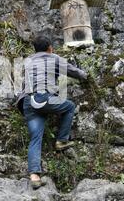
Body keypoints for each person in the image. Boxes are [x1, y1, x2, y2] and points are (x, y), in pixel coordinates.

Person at [15, 35, 88, 189]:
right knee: (69, 106)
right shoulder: (52, 58)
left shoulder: (28, 62)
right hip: (44, 98)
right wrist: (85, 76)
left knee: (35, 138)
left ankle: (34, 176)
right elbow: (72, 71)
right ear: (49, 48)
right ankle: (61, 140)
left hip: (28, 102)